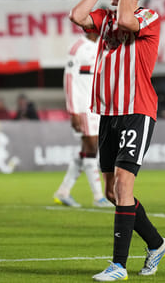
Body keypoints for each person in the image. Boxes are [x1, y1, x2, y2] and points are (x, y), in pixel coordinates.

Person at [69, 0, 165, 281]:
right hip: (109, 113)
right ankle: (156, 244)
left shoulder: (149, 17)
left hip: (137, 109)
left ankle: (119, 266)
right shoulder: (104, 19)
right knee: (113, 193)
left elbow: (128, 20)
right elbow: (76, 14)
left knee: (125, 186)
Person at [53, 32, 112, 208]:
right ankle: (98, 196)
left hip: (97, 107)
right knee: (92, 148)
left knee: (87, 150)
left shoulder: (103, 46)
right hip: (83, 107)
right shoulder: (77, 48)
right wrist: (73, 111)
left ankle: (63, 191)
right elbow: (69, 80)